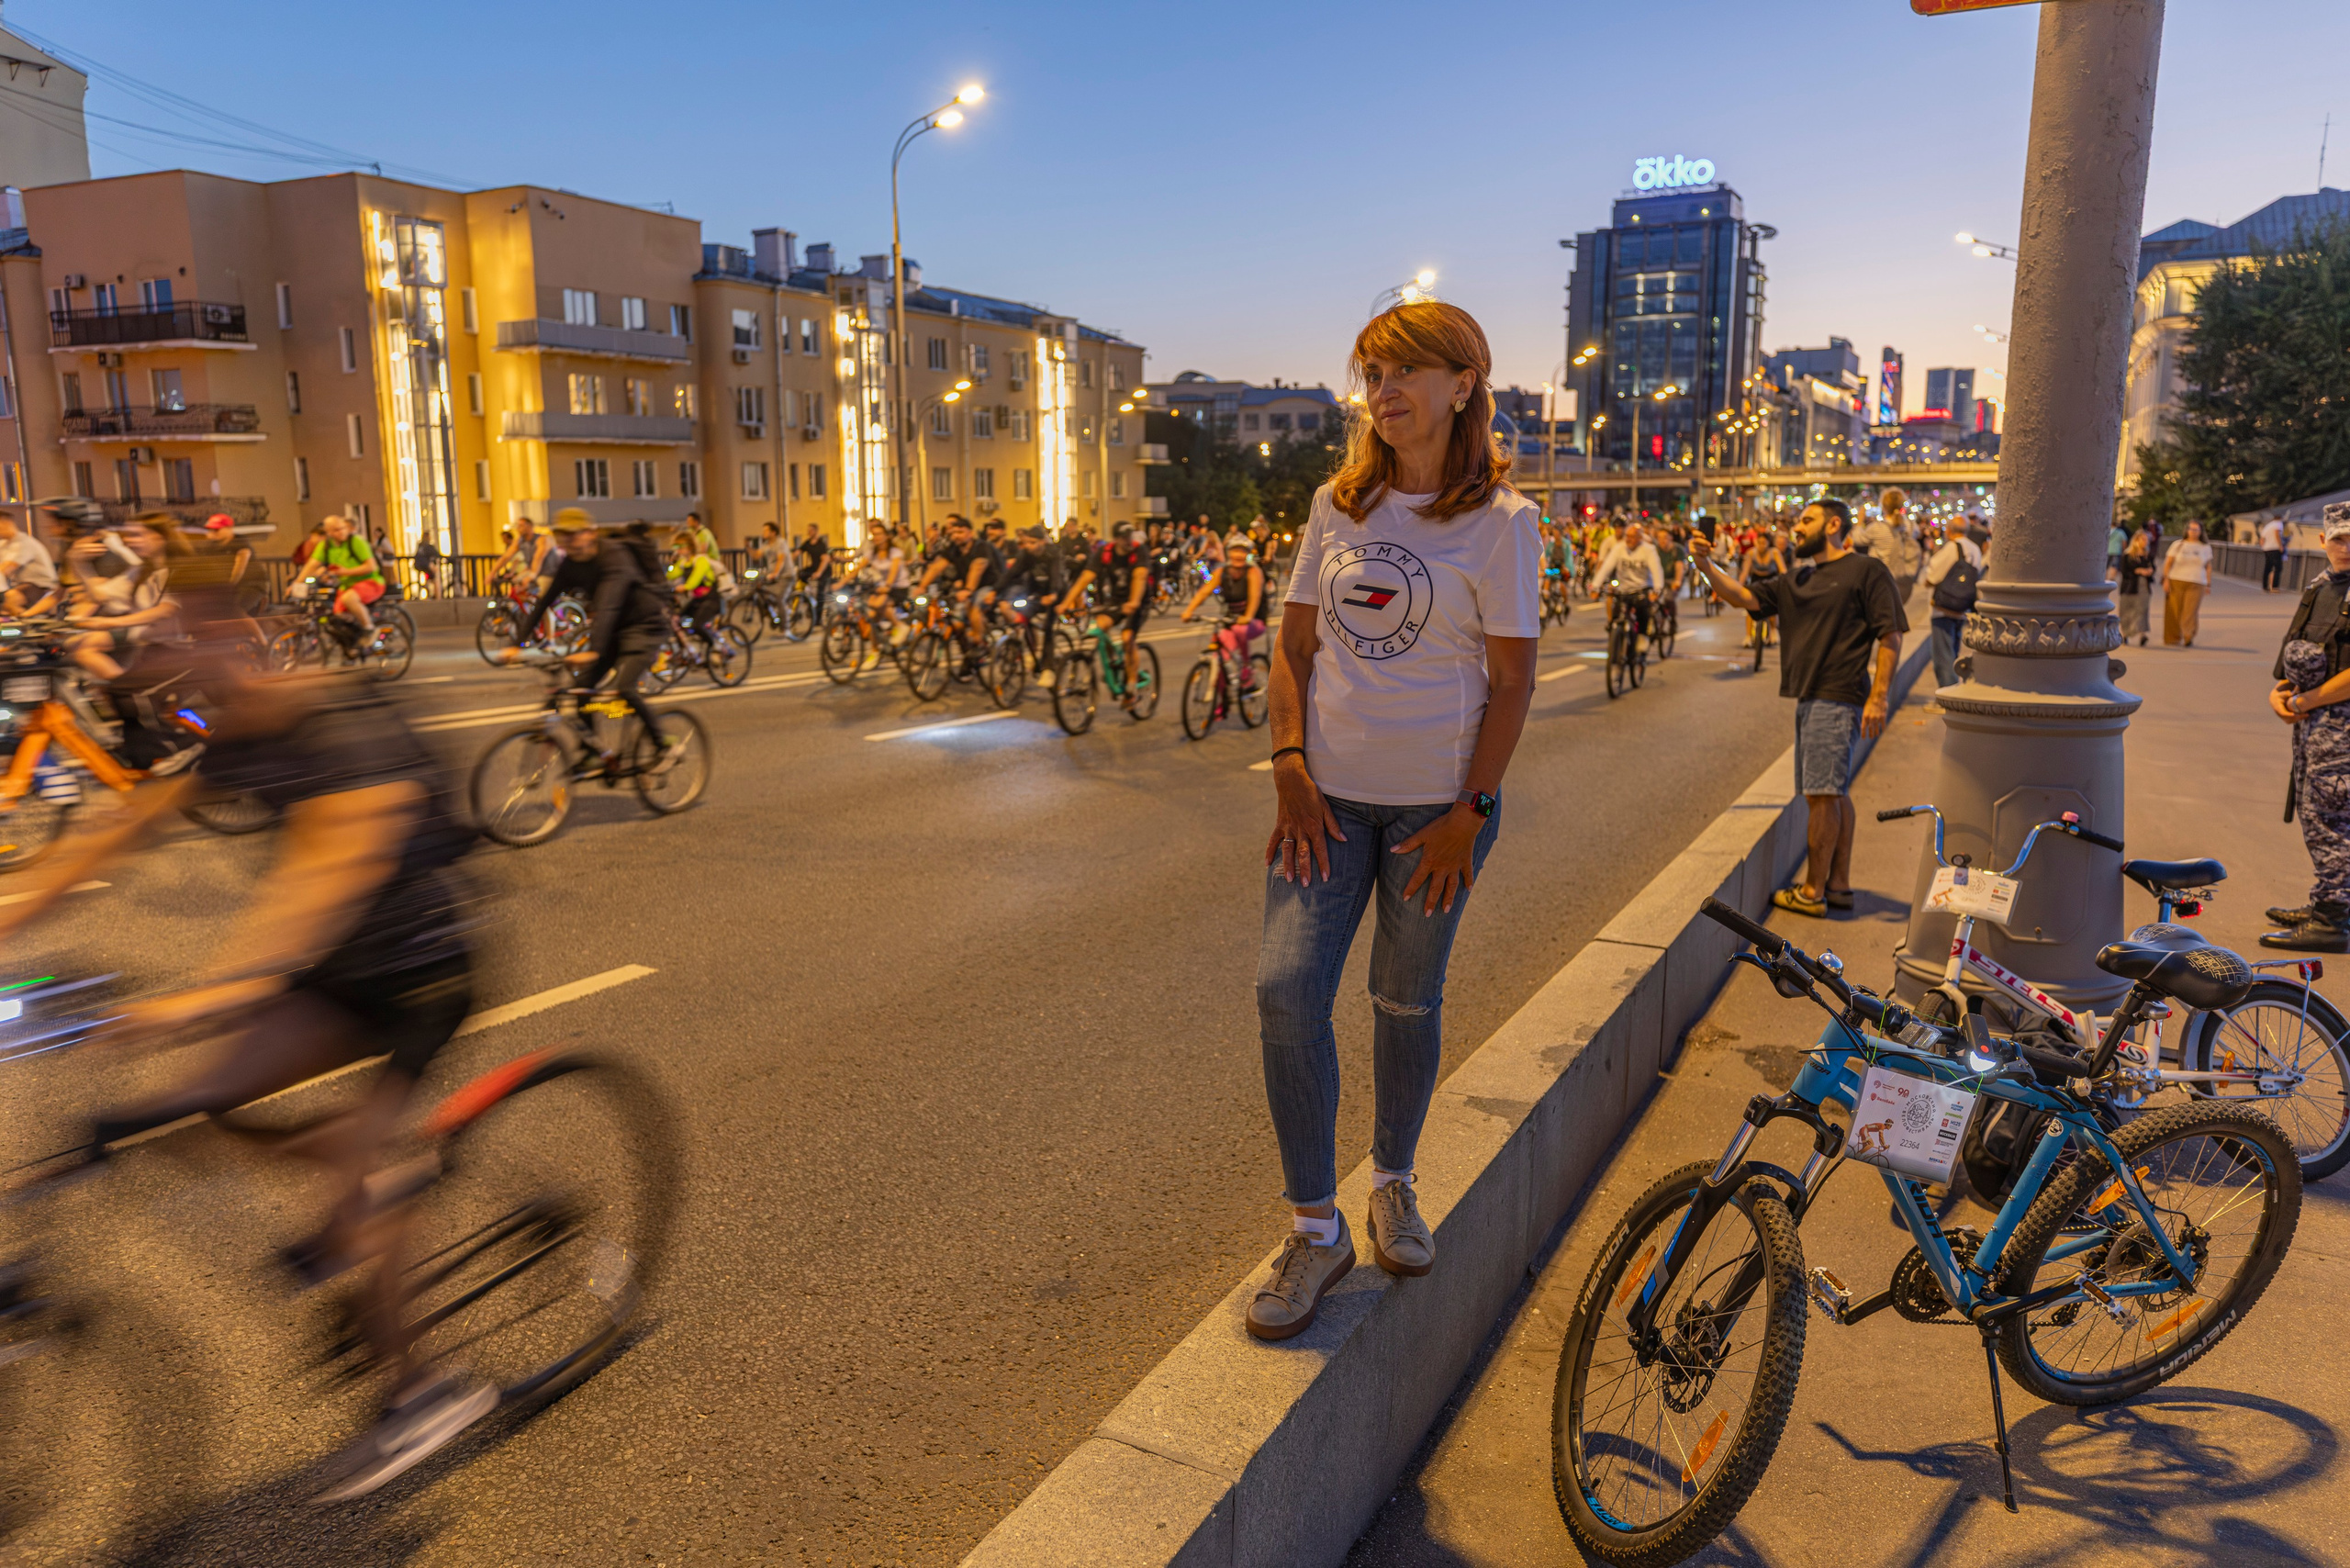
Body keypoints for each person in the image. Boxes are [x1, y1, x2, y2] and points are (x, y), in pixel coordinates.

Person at [0, 558, 492, 1495]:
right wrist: (12, 916)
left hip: (425, 971)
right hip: (334, 980)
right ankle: (375, 1191)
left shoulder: (342, 725)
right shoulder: (230, 742)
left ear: (238, 635)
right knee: (193, 1106)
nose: (160, 654)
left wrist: (212, 994)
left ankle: (425, 1391)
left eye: (178, 633)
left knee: (358, 1171)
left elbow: (328, 875)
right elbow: (114, 838)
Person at [1249, 298, 1539, 1341]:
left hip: (1435, 812)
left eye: (1404, 370)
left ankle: (1396, 1181)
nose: (1382, 391)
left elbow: (1511, 684)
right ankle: (1315, 1226)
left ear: (1463, 384)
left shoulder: (1502, 524)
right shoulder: (1338, 506)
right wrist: (1288, 760)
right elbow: (1291, 647)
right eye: (1370, 371)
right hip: (1320, 803)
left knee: (1402, 1002)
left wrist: (1473, 808)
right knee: (1286, 996)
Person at [1690, 498, 1906, 916]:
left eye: (1807, 520)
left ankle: (1812, 893)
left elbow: (1890, 636)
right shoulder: (1799, 579)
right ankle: (1838, 885)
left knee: (1822, 795)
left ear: (1834, 525)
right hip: (1810, 696)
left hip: (1838, 694)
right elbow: (1742, 597)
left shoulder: (1866, 571)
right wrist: (1703, 564)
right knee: (1834, 793)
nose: (1797, 528)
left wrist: (1879, 697)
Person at [506, 514, 676, 762]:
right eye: (563, 536)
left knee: (625, 688)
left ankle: (664, 745)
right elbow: (544, 602)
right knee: (580, 689)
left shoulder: (614, 556)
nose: (569, 542)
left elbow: (609, 604)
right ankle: (593, 753)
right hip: (614, 630)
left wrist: (594, 650)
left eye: (574, 534)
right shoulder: (571, 564)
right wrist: (516, 645)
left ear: (591, 533)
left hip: (644, 625)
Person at [2264, 504, 2350, 951]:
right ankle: (2328, 904)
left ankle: (2333, 922)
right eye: (2339, 539)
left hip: (2341, 729)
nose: (2347, 548)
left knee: (2334, 821)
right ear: (2322, 541)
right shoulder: (2322, 587)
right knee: (2319, 815)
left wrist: (2303, 701)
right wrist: (2279, 696)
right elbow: (2296, 653)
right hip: (2316, 725)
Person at [1059, 522, 1155, 706]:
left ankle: (1131, 687)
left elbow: (1140, 576)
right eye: (1124, 537)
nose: (1128, 541)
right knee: (1098, 628)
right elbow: (1085, 577)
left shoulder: (1138, 550)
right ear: (1116, 539)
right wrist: (1065, 603)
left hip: (1139, 601)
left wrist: (1134, 601)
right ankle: (1114, 661)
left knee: (1127, 638)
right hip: (1117, 600)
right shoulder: (1105, 552)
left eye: (1130, 536)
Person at [1181, 531, 1266, 680]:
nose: (1238, 555)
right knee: (1220, 658)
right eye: (1235, 551)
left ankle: (1247, 667)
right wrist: (1189, 610)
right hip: (1230, 621)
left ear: (1247, 554)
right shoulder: (1222, 572)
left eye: (1242, 552)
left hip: (1254, 621)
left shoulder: (1253, 571)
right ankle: (1221, 700)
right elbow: (1203, 592)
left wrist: (1247, 616)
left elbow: (1255, 596)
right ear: (1228, 553)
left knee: (1239, 630)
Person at [1920, 517, 1984, 693]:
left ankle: (1947, 695)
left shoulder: (1951, 547)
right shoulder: (1975, 549)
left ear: (1949, 530)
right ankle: (1955, 689)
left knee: (1943, 656)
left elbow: (1933, 574)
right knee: (1953, 651)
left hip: (1943, 609)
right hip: (1962, 607)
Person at [2160, 520, 2214, 647]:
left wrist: (2208, 584)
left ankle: (2188, 635)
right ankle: (2172, 637)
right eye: (2191, 529)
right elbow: (2168, 563)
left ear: (2201, 531)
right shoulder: (2178, 544)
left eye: (2196, 529)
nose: (2193, 532)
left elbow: (2208, 567)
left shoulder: (2205, 547)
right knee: (2173, 610)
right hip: (2176, 579)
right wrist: (2166, 579)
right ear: (2187, 530)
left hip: (2197, 582)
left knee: (2190, 611)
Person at [0, 506, 59, 615]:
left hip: (41, 585)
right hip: (21, 585)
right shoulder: (4, 544)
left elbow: (7, 569)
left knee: (12, 597)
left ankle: (27, 624)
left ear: (5, 522)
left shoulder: (24, 543)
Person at [2116, 530, 2155, 646]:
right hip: (2130, 587)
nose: (2145, 542)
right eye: (2143, 540)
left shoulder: (2147, 555)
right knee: (2127, 611)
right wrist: (2137, 571)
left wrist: (2150, 571)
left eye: (2147, 540)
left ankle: (2142, 634)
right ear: (2136, 541)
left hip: (2143, 587)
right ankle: (2125, 634)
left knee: (2142, 610)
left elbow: (2153, 567)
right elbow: (2124, 571)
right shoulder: (2127, 555)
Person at [2260, 514, 2288, 593]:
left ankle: (2265, 586)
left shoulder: (2268, 525)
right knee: (2278, 567)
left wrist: (2263, 547)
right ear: (2280, 518)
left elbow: (2262, 538)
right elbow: (2277, 533)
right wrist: (2280, 546)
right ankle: (2275, 586)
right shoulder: (2278, 524)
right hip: (2275, 548)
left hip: (2267, 548)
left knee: (2268, 567)